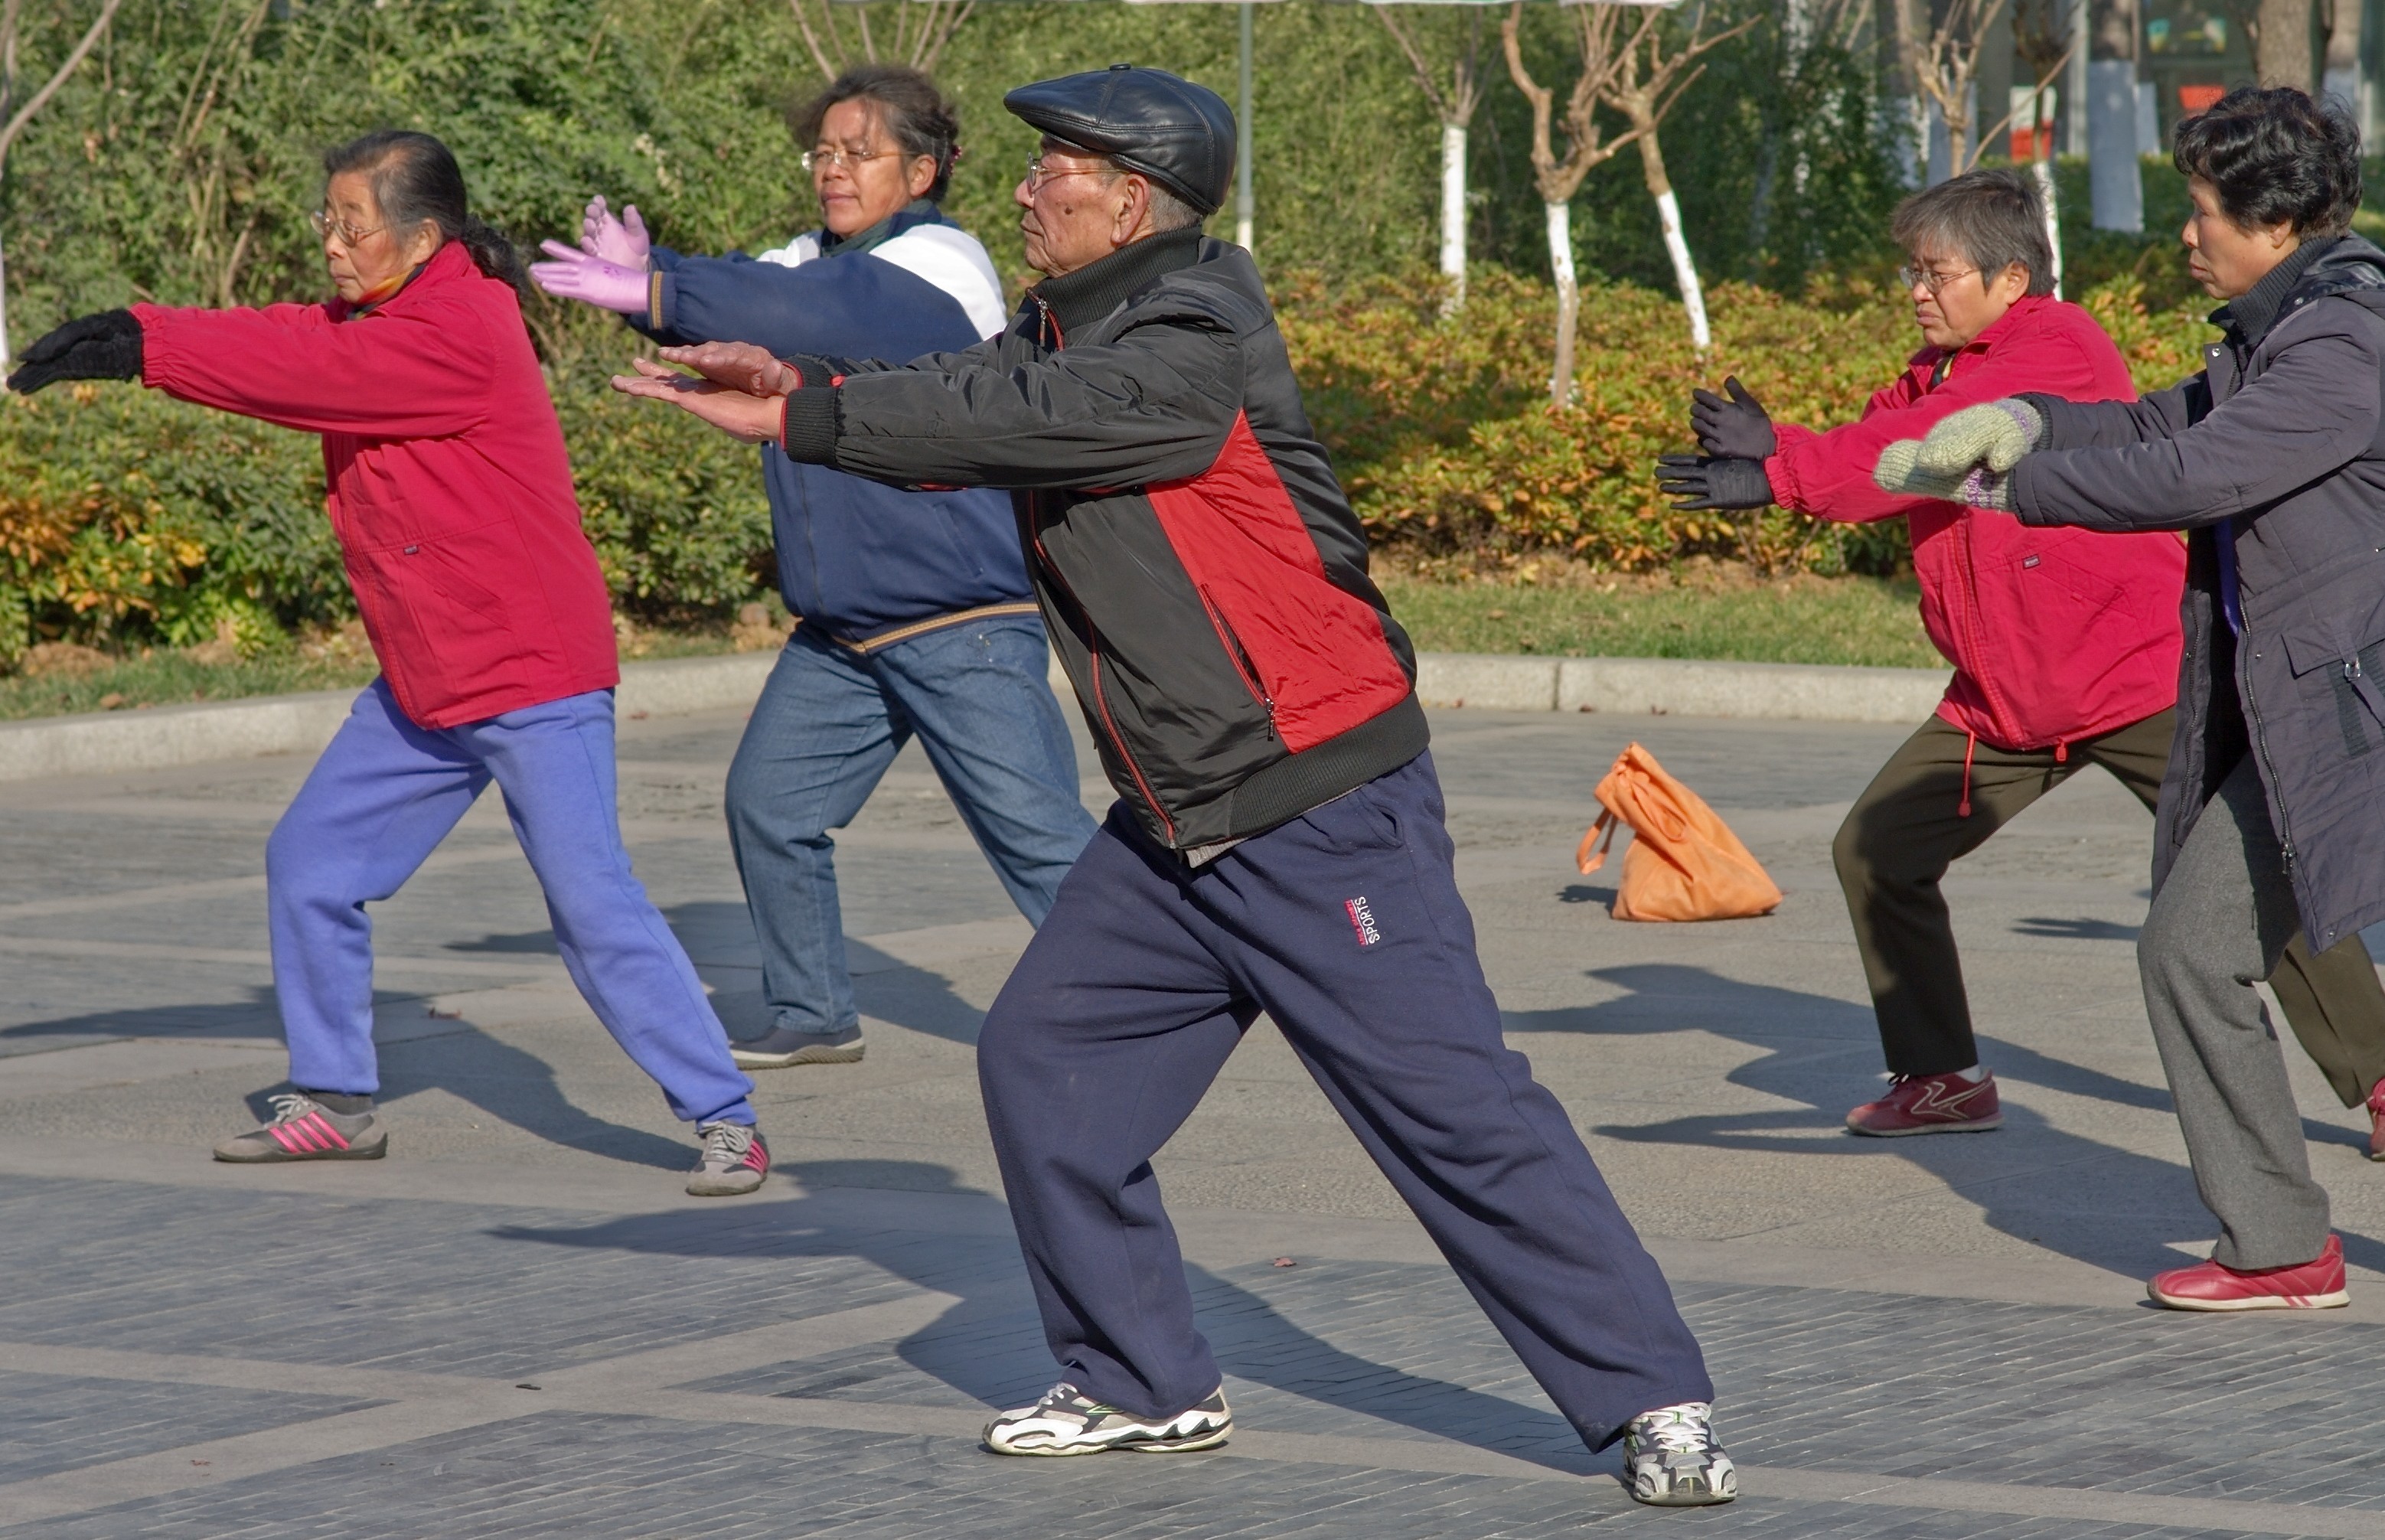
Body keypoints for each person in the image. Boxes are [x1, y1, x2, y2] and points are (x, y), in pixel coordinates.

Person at [608, 64, 1736, 1507]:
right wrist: (807, 387)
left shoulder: (1194, 328)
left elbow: (1047, 421)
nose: (1025, 189)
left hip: (1315, 797)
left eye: (1052, 172)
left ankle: (1657, 1398)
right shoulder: (1062, 324)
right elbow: (983, 397)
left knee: (1455, 1114)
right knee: (1042, 1063)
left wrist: (808, 426)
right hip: (1179, 819)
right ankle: (1144, 1380)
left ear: (1130, 197)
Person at [5, 131, 768, 1199]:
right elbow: (290, 332)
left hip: (530, 672)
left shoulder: (461, 329)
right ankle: (336, 1100)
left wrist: (151, 355)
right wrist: (145, 326)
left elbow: (313, 369)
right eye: (326, 218)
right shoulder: (386, 311)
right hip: (425, 683)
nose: (328, 240)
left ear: (420, 237)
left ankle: (725, 1117)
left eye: (347, 223)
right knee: (311, 865)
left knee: (591, 902)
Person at [1658, 168, 2385, 1146]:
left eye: (1936, 272)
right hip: (2000, 698)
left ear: (2009, 280)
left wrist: (1779, 471)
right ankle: (1939, 1076)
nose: (1917, 291)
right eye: (1910, 272)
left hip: (2131, 677)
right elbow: (1882, 435)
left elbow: (1929, 451)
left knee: (2255, 879)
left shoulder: (2056, 347)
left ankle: (2379, 1078)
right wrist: (1779, 445)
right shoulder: (1935, 367)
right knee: (1876, 851)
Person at [1874, 87, 2385, 1310]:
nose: (2189, 235)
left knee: (2194, 950)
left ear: (2275, 218)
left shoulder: (2345, 340)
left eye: (2203, 211)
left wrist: (2010, 490)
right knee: (2190, 949)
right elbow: (2163, 419)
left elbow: (2201, 469)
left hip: (2356, 708)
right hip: (2310, 710)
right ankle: (2281, 1247)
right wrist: (2025, 419)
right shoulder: (2277, 328)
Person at [532, 67, 1096, 1072]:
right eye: (823, 153)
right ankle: (814, 1013)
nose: (832, 171)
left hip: (957, 620)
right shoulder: (800, 262)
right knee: (771, 807)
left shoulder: (942, 263)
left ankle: (1150, 1003)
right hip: (842, 633)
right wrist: (649, 288)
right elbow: (746, 311)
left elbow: (822, 310)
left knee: (1042, 844)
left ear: (922, 170)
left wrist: (661, 281)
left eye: (858, 153)